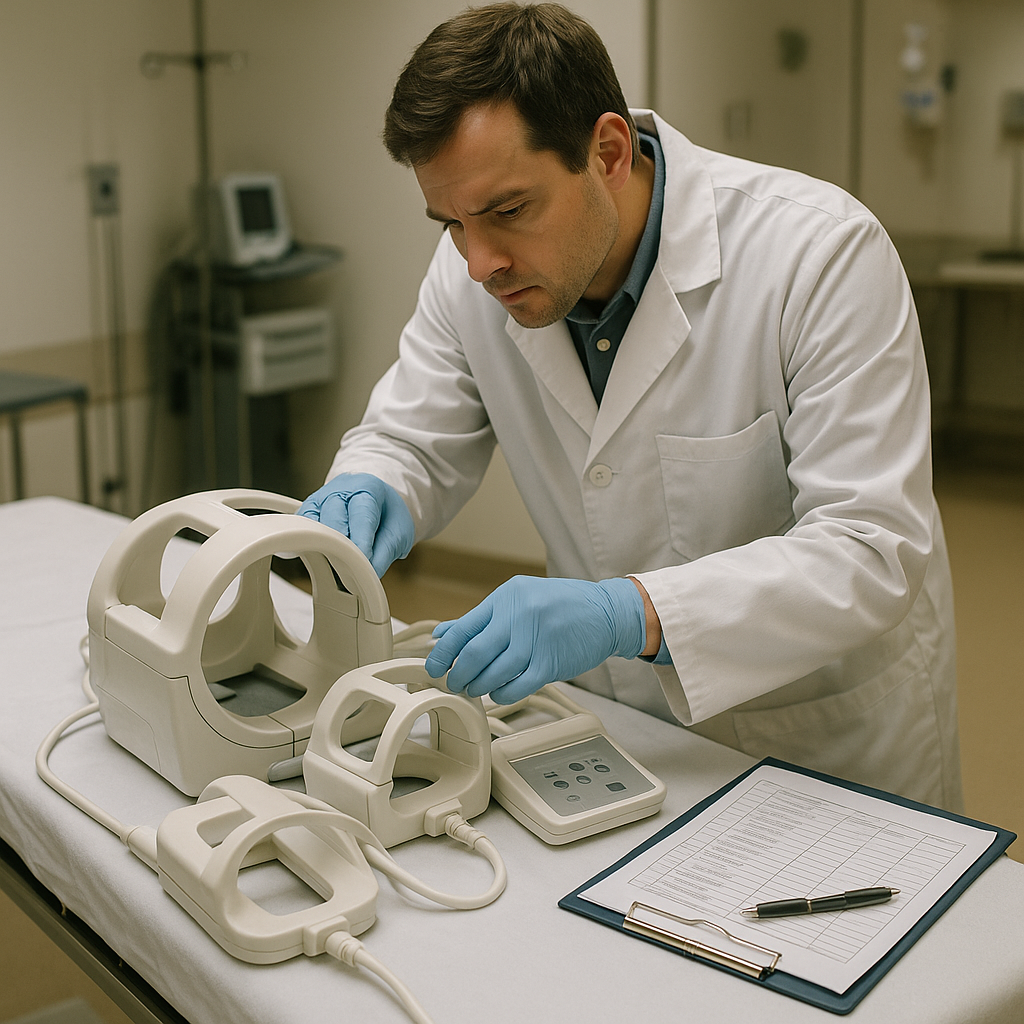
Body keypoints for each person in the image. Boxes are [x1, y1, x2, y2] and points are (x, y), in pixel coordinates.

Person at [299, 2, 963, 810]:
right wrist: (373, 483)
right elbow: (413, 436)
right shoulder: (473, 271)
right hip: (619, 728)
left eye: (508, 211)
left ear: (607, 150)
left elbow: (870, 549)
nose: (480, 263)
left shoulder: (819, 254)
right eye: (450, 224)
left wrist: (631, 611)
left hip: (825, 740)